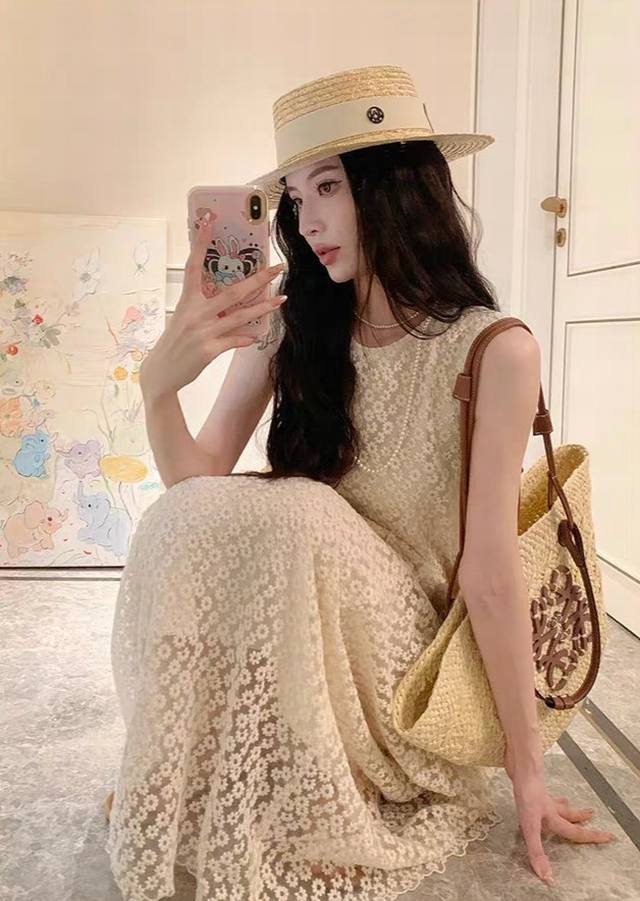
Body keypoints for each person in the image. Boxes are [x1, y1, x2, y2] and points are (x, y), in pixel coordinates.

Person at [105, 65, 614, 901]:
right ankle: (195, 752)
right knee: (195, 516)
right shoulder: (295, 322)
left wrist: (528, 772)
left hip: (401, 651)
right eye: (295, 197)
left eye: (329, 187)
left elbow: (489, 572)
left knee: (295, 510)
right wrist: (158, 386)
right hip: (303, 604)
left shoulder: (495, 348)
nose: (307, 221)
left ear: (396, 187)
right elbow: (193, 485)